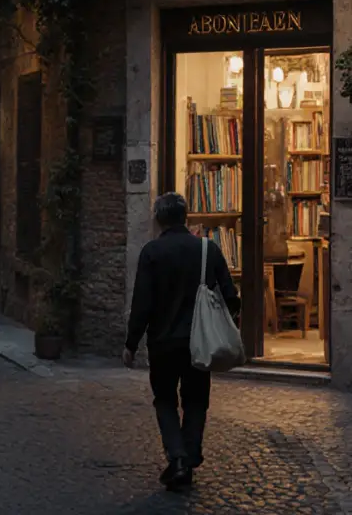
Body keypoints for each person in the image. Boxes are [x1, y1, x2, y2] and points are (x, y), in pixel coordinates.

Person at [123, 192, 241, 491]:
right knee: (196, 399)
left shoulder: (152, 252)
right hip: (200, 341)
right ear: (185, 217)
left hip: (162, 342)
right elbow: (231, 296)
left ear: (159, 219)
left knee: (164, 399)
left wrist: (131, 343)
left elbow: (142, 303)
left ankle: (178, 458)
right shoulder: (208, 249)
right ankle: (190, 453)